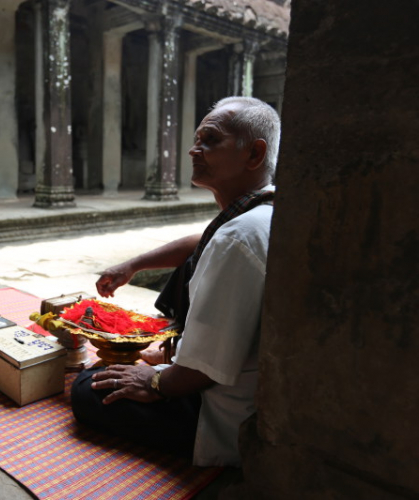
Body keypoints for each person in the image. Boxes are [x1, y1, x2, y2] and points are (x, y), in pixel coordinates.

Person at [71, 96, 281, 466]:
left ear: (254, 154)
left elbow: (201, 371)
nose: (193, 149)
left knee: (88, 389)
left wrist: (153, 382)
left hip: (214, 413)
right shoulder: (260, 213)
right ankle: (171, 351)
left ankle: (169, 365)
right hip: (235, 387)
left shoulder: (238, 237)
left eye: (210, 140)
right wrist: (132, 266)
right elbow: (200, 242)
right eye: (197, 139)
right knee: (190, 262)